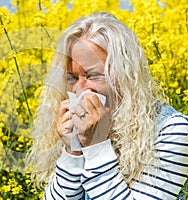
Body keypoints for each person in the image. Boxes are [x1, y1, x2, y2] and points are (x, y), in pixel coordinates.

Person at [26, 12, 188, 199]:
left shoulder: (171, 130)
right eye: (71, 78)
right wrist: (73, 151)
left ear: (125, 76)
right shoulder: (80, 130)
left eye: (93, 75)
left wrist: (97, 146)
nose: (79, 90)